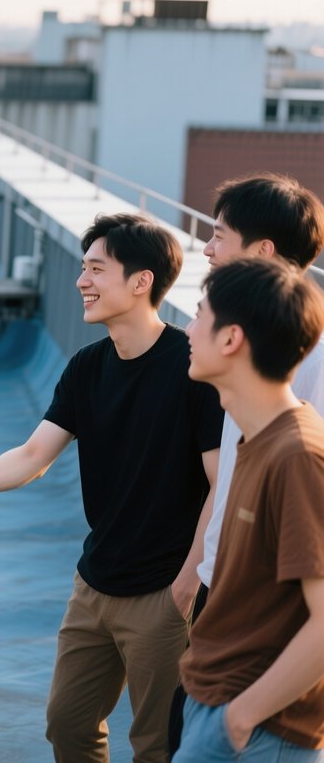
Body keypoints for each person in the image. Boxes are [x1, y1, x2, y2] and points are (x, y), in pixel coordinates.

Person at [0, 213, 223, 762]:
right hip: (94, 585)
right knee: (68, 725)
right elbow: (33, 456)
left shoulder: (192, 367)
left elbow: (221, 484)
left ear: (141, 281)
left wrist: (185, 585)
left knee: (157, 745)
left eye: (95, 269)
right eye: (82, 268)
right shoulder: (87, 366)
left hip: (163, 594)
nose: (80, 281)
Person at [168, 173, 324, 756]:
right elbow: (230, 487)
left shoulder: (297, 442)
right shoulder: (255, 421)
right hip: (223, 662)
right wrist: (194, 575)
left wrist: (243, 717)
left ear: (233, 339)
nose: (186, 327)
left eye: (219, 234)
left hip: (257, 712)